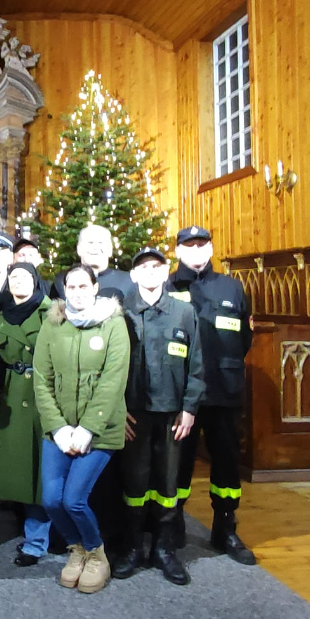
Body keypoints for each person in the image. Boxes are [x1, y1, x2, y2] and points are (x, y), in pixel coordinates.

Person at [32, 264, 130, 593]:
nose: (76, 293)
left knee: (74, 499)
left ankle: (97, 553)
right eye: (70, 287)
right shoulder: (52, 324)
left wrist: (86, 429)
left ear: (95, 287)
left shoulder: (114, 324)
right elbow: (42, 380)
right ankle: (77, 550)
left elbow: (113, 380)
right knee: (50, 499)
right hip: (58, 429)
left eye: (82, 286)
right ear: (64, 291)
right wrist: (59, 428)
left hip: (100, 429)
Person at [115, 247, 206, 585]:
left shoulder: (184, 313)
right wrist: (117, 410)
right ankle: (133, 548)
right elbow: (109, 368)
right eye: (143, 267)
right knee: (134, 483)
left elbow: (196, 364)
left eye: (157, 266)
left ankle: (165, 549)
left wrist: (189, 408)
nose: (150, 272)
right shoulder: (120, 313)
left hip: (172, 415)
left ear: (166, 272)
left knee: (168, 484)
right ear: (134, 275)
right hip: (133, 414)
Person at [168, 226, 257, 566]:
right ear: (177, 251)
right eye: (188, 245)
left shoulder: (231, 287)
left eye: (202, 244)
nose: (196, 250)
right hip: (181, 397)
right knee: (178, 465)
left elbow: (244, 337)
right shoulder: (168, 286)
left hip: (224, 391)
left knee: (227, 463)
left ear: (211, 248)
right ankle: (172, 523)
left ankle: (225, 527)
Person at [0, 262, 52, 566]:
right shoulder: (1, 316)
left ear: (35, 281)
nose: (18, 281)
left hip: (46, 396)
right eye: (12, 276)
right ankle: (35, 537)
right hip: (12, 397)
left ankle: (45, 538)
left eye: (24, 276)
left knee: (46, 472)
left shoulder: (53, 312)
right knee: (22, 472)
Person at [51, 224, 133, 301]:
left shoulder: (128, 282)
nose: (95, 247)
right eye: (90, 243)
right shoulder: (62, 281)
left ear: (110, 250)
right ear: (79, 249)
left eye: (100, 243)